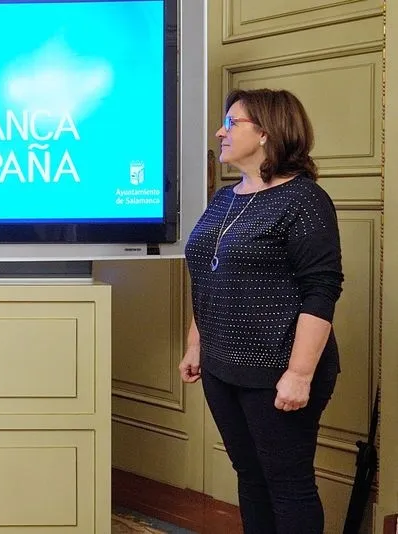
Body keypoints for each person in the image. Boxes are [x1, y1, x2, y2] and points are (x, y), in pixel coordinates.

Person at [180, 88, 343, 533]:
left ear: (267, 132)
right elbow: (209, 275)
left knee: (288, 485)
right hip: (221, 368)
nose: (221, 132)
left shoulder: (305, 200)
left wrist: (300, 374)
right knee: (250, 476)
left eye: (231, 123)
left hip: (277, 370)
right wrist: (196, 344)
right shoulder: (225, 198)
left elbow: (321, 291)